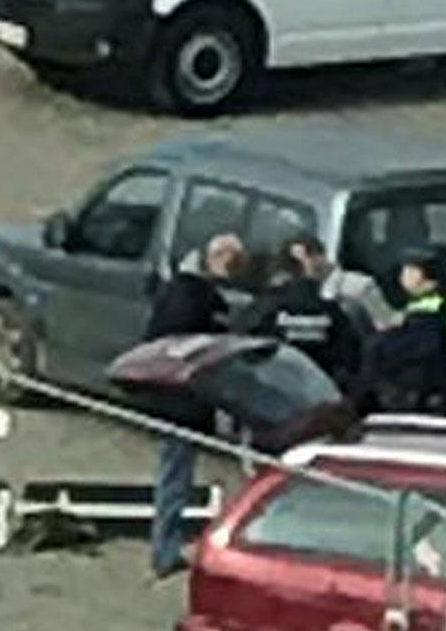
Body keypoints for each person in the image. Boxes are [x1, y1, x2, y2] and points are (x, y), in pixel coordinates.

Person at [143, 231, 246, 576]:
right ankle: (165, 551)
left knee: (175, 474)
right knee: (176, 476)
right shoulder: (203, 300)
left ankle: (166, 548)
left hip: (170, 397)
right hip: (186, 401)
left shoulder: (175, 290)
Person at [236, 238, 363, 392]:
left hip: (271, 394)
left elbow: (241, 353)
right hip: (321, 393)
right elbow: (351, 356)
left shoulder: (261, 310)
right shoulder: (331, 310)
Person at [366, 250, 446, 413]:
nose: (405, 276)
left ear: (431, 281)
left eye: (412, 271)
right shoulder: (408, 309)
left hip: (423, 389)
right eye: (404, 270)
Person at [293, 235, 393, 332]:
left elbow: (386, 325)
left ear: (321, 254)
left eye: (308, 255)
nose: (305, 263)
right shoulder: (298, 296)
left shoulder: (360, 285)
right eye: (296, 261)